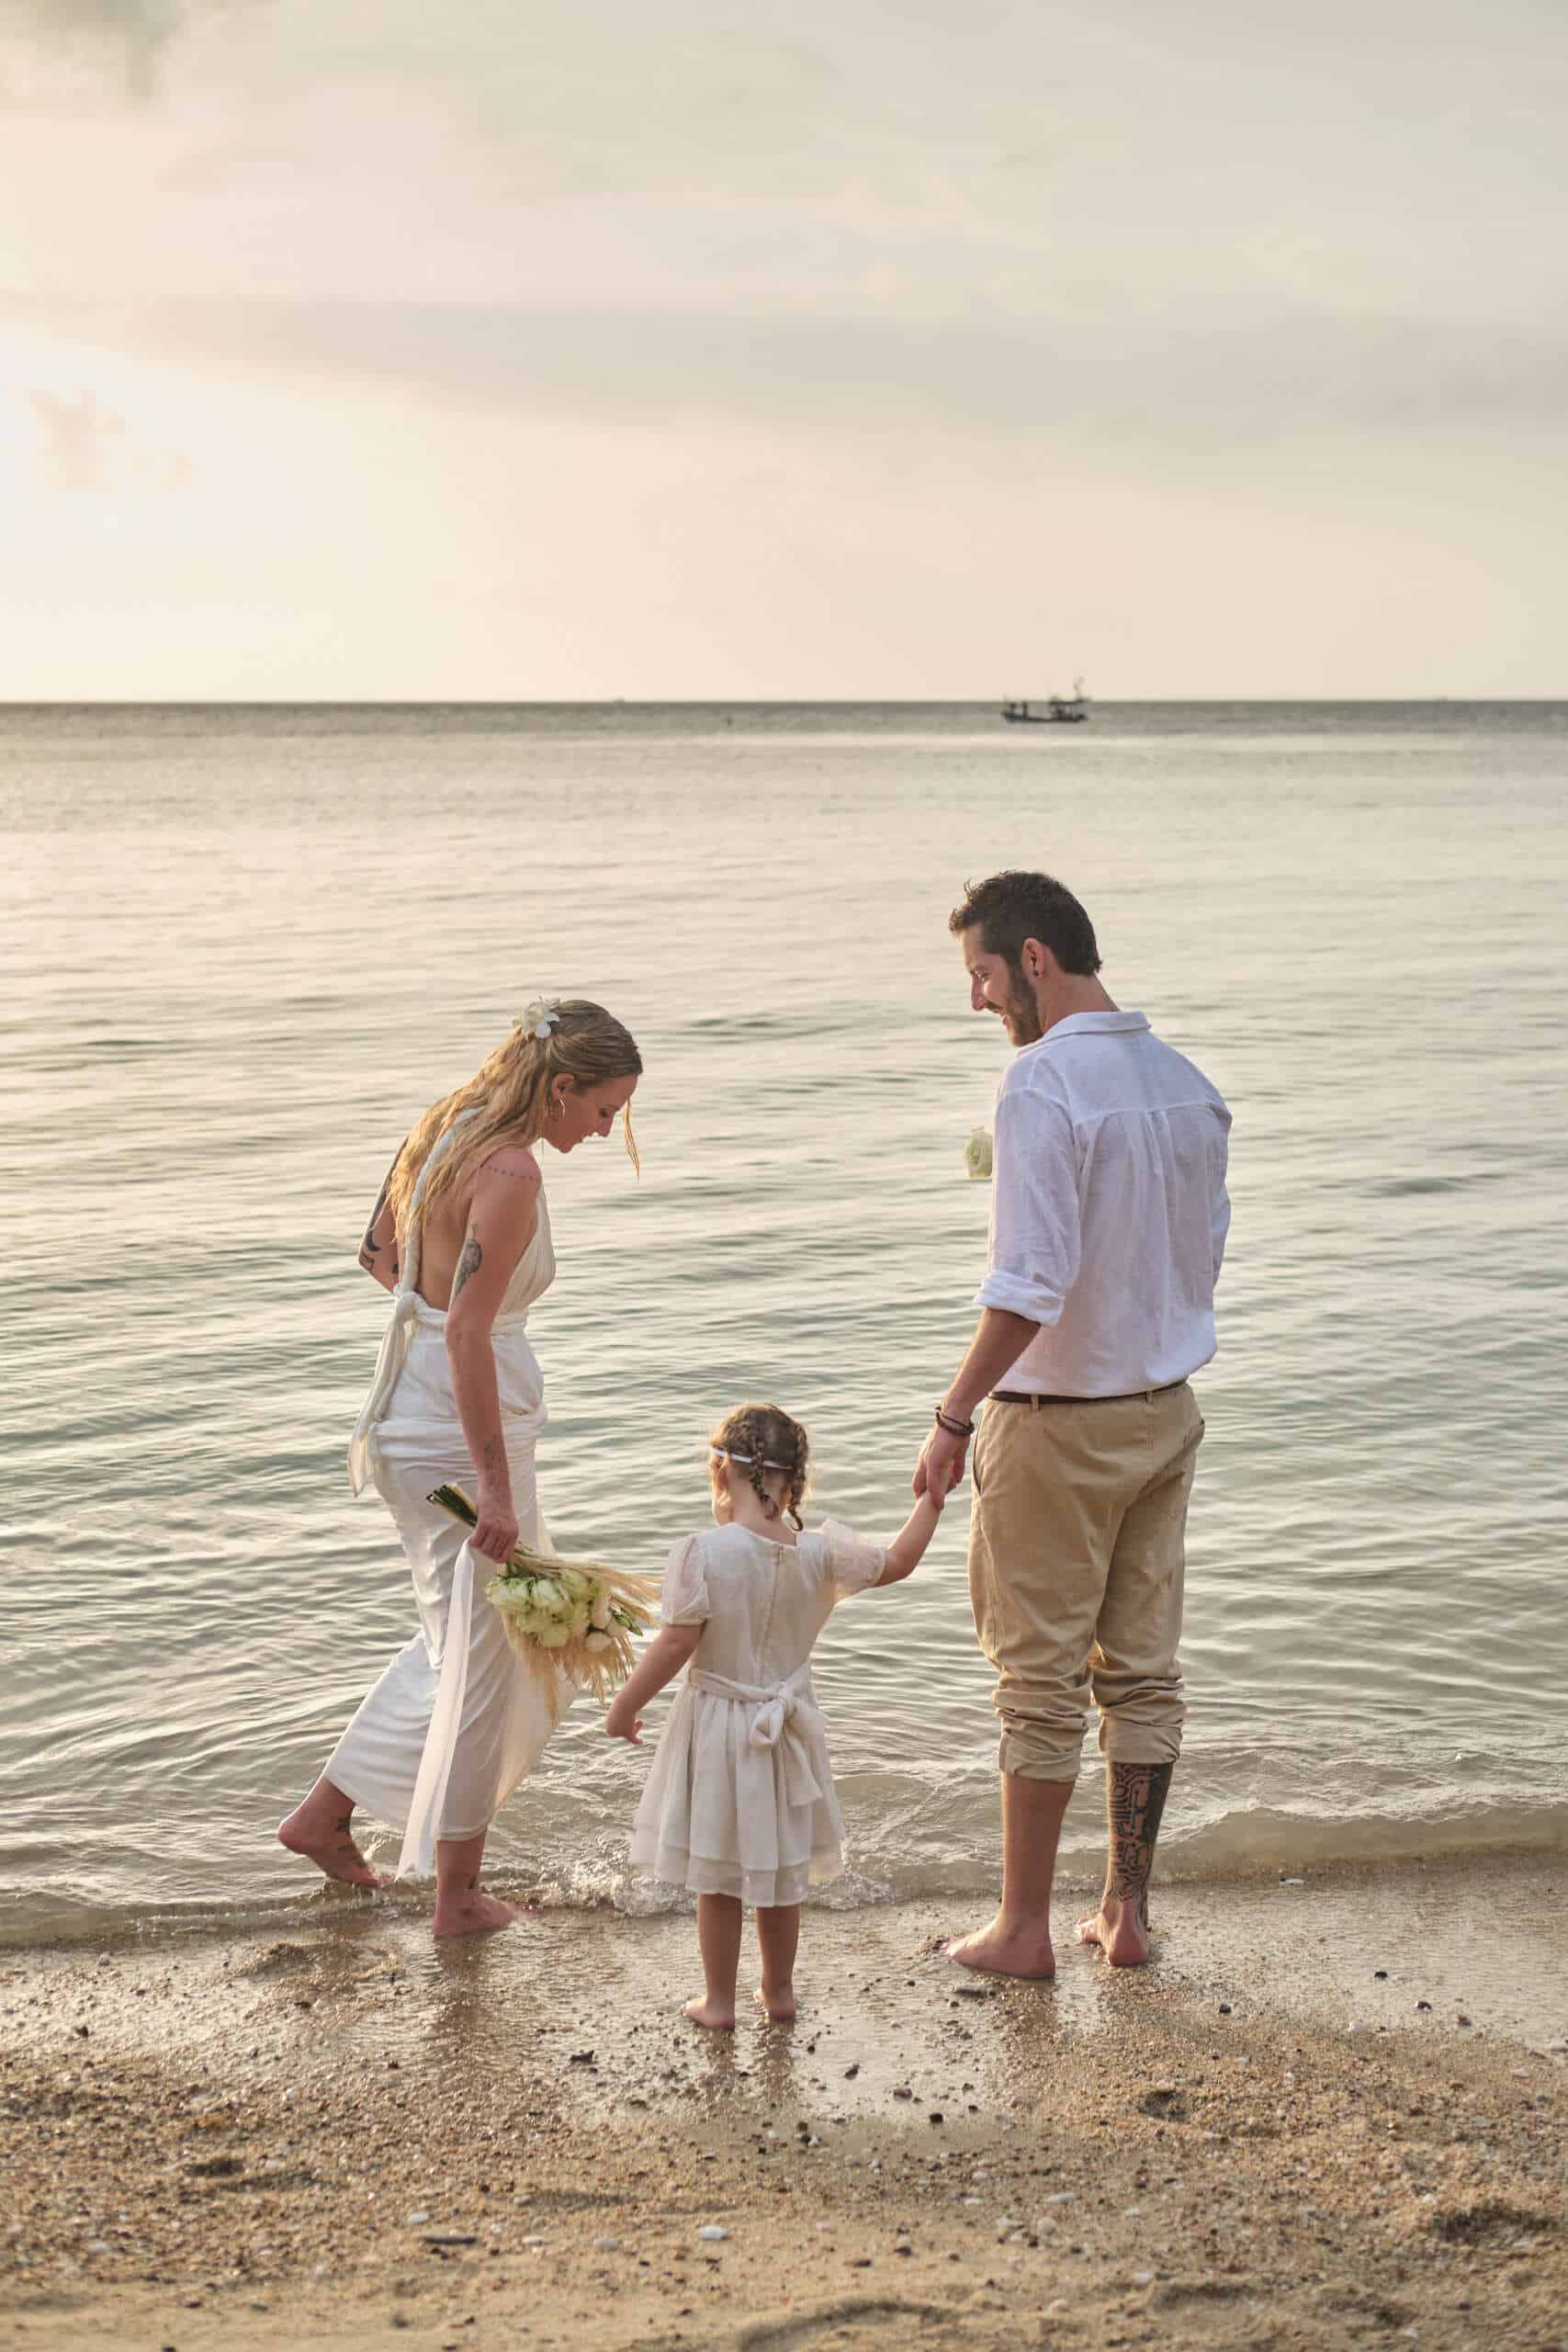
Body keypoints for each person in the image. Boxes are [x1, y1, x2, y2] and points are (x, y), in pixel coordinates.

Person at [913, 871, 1230, 1977]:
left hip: (1055, 1422)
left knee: (1037, 1680)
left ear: (1034, 959)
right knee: (1143, 1671)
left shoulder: (1042, 1085)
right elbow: (1199, 1264)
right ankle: (1125, 1914)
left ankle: (1022, 1929)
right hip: (1165, 1411)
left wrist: (953, 1416)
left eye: (983, 976)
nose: (979, 1002)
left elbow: (1029, 1283)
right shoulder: (1189, 1084)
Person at [277, 996, 642, 1939]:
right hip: (456, 1437)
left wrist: (433, 1310)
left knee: (470, 1643)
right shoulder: (511, 1167)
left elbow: (377, 1256)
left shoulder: (441, 1126)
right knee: (493, 1665)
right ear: (561, 1086)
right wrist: (497, 1488)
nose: (605, 1132)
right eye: (604, 1110)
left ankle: (326, 1814)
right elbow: (473, 1330)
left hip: (411, 1413)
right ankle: (455, 1896)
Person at [606, 1403, 943, 2028]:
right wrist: (932, 1499)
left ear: (718, 1470)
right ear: (794, 1481)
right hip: (789, 1725)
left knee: (720, 1874)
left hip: (718, 1724)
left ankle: (718, 2002)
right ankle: (779, 1993)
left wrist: (624, 1705)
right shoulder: (819, 1554)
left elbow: (678, 1642)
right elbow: (897, 1563)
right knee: (780, 1867)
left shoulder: (702, 1553)